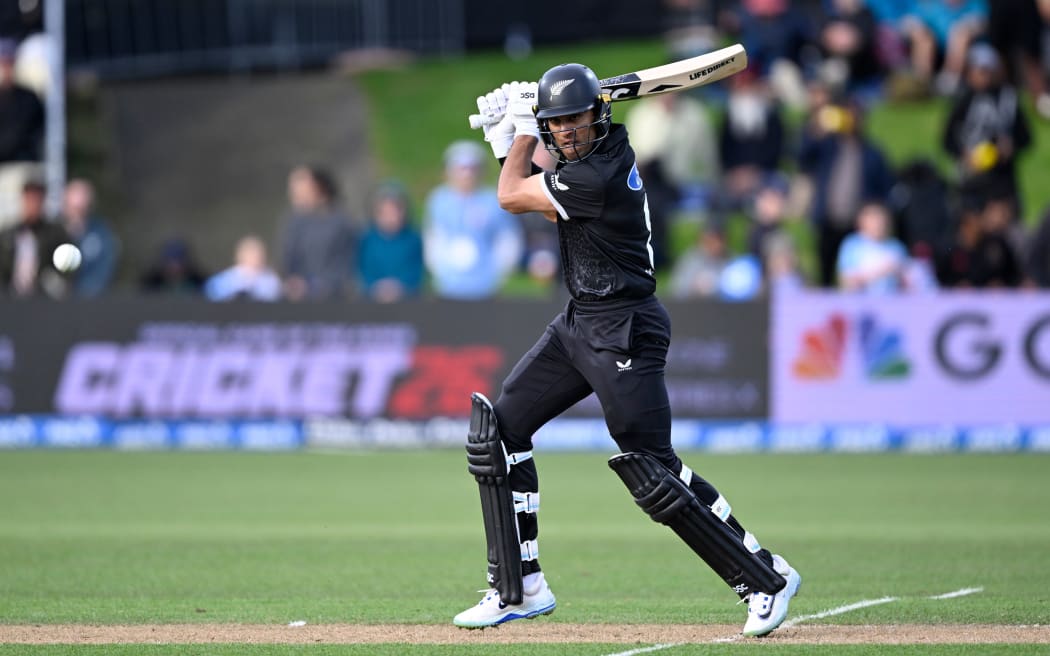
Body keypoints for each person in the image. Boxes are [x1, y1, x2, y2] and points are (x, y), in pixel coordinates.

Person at [453, 66, 801, 636]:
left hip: (626, 328)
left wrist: (519, 134)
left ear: (599, 114)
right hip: (580, 322)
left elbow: (512, 195)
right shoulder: (582, 165)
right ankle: (520, 587)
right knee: (500, 432)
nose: (566, 132)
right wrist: (506, 138)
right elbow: (537, 195)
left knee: (652, 471)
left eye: (575, 119)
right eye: (556, 123)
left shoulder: (603, 171)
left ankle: (765, 577)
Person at [422, 140, 523, 300]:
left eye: (472, 168)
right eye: (461, 168)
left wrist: (498, 275)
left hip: (485, 285)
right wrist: (439, 272)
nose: (466, 174)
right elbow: (434, 240)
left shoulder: (493, 201)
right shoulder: (439, 200)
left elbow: (507, 240)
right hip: (448, 285)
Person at [278, 165, 357, 301]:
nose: (297, 195)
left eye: (304, 189)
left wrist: (324, 285)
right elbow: (288, 259)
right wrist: (294, 280)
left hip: (334, 297)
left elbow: (348, 261)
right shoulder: (294, 222)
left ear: (320, 189)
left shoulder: (342, 222)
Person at [0, 179, 71, 298]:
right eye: (29, 199)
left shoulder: (55, 234)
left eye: (36, 200)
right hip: (9, 297)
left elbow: (65, 268)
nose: (32, 205)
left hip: (42, 298)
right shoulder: (7, 234)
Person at [357, 181, 424, 302]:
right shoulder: (367, 239)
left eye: (394, 211)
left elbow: (417, 269)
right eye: (385, 212)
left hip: (407, 300)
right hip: (373, 301)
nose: (391, 217)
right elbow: (363, 270)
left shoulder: (413, 239)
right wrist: (378, 287)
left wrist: (399, 287)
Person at [61, 178, 119, 297]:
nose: (75, 216)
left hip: (90, 303)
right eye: (71, 208)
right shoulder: (53, 234)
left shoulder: (102, 235)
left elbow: (104, 270)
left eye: (80, 209)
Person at [835, 201, 910, 293]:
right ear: (862, 222)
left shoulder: (897, 247)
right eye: (873, 220)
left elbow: (908, 282)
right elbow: (846, 282)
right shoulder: (852, 245)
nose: (878, 225)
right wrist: (880, 271)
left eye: (881, 221)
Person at [203, 234, 282, 302]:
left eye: (257, 255)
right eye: (251, 254)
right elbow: (213, 294)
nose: (254, 258)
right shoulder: (229, 277)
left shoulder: (270, 279)